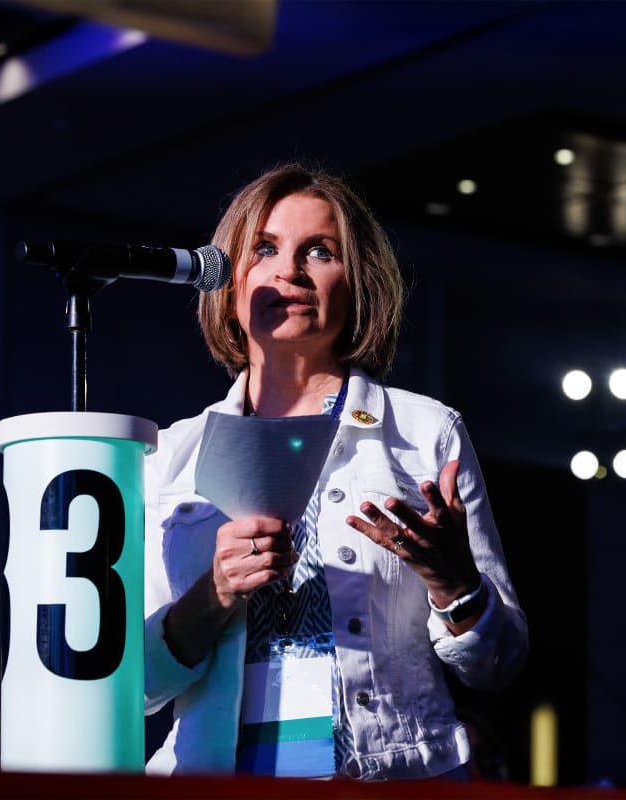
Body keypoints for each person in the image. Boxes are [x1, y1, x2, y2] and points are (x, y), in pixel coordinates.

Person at [143, 162, 528, 779]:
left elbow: (498, 664)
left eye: (319, 251)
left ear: (358, 283)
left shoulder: (425, 432)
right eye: (264, 249)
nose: (289, 271)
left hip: (389, 778)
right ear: (229, 282)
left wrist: (454, 584)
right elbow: (133, 685)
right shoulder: (171, 456)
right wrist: (214, 594)